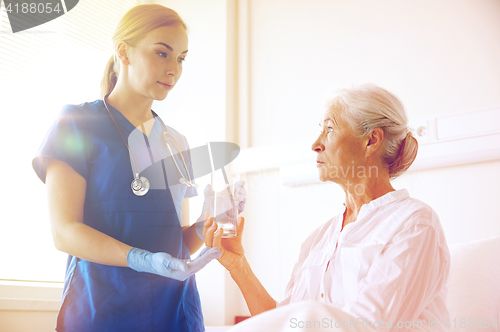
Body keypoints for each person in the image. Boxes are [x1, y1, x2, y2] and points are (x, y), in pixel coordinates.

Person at [32, 4, 245, 332]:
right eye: (162, 53)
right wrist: (140, 259)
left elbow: (176, 245)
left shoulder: (176, 142)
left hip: (175, 312)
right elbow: (64, 232)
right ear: (123, 51)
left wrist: (209, 221)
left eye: (181, 58)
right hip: (103, 309)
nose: (173, 69)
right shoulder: (77, 124)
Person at [204, 84, 450, 331]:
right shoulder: (319, 239)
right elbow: (282, 322)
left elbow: (369, 327)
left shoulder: (414, 223)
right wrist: (238, 265)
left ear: (371, 140)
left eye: (329, 129)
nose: (315, 144)